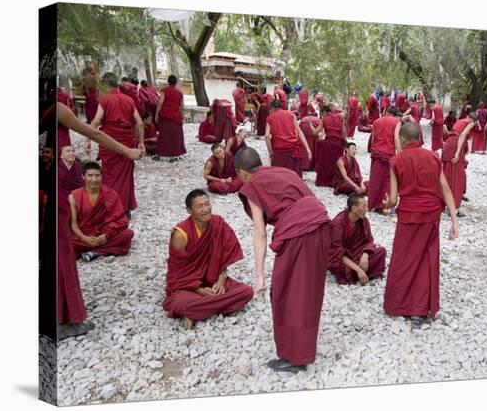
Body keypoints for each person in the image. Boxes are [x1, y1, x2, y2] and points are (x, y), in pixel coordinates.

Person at [48, 102, 143, 340]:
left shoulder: (106, 192)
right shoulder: (55, 107)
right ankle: (60, 320)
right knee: (61, 256)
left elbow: (119, 221)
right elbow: (95, 131)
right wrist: (128, 151)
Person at [234, 147, 331, 373]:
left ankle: (294, 357)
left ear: (241, 172)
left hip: (298, 232)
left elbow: (260, 232)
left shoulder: (251, 185)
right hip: (321, 223)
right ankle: (302, 349)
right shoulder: (285, 172)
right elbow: (309, 199)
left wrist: (259, 276)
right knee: (307, 292)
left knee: (286, 293)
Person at [383, 122, 459, 328]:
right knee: (426, 258)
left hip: (408, 215)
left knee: (403, 258)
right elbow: (445, 188)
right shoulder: (433, 157)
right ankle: (419, 311)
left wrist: (386, 204)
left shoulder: (397, 160)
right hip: (431, 215)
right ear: (419, 138)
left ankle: (399, 305)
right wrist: (454, 220)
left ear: (405, 140)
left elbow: (393, 199)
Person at [162, 189, 254, 329]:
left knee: (246, 292)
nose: (206, 209)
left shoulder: (217, 223)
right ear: (189, 210)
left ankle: (196, 311)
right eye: (200, 206)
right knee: (179, 302)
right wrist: (199, 290)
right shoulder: (180, 235)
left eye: (207, 204)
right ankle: (210, 306)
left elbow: (223, 255)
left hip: (212, 279)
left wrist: (221, 279)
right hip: (188, 285)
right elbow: (177, 272)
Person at [91, 72, 144, 215]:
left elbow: (96, 120)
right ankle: (124, 209)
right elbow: (139, 122)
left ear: (105, 85)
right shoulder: (129, 100)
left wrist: (88, 137)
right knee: (125, 177)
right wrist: (141, 143)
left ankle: (110, 208)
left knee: (109, 175)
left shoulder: (104, 98)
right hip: (127, 141)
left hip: (109, 142)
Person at [69, 162, 134, 261]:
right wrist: (84, 238)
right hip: (83, 236)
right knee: (64, 241)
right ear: (83, 176)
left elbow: (121, 220)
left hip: (102, 235)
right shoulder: (74, 196)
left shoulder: (110, 194)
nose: (94, 179)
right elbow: (73, 225)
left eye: (97, 175)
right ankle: (102, 251)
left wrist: (106, 236)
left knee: (128, 234)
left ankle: (95, 252)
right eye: (90, 176)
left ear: (101, 176)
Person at [327, 194, 386, 285]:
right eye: (364, 206)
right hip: (342, 259)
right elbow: (336, 252)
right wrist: (358, 269)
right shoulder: (338, 223)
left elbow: (369, 240)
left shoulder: (363, 220)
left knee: (381, 251)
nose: (367, 209)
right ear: (354, 208)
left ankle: (358, 273)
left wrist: (365, 255)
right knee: (341, 268)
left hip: (357, 253)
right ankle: (359, 273)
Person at [441, 112, 477, 217]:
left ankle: (444, 204)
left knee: (447, 176)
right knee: (457, 179)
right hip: (455, 147)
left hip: (448, 145)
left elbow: (451, 133)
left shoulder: (460, 121)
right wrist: (457, 153)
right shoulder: (471, 123)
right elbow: (462, 135)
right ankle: (454, 209)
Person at [367, 106, 401, 213]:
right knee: (387, 180)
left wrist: (374, 149)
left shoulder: (376, 121)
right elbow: (396, 138)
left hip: (377, 153)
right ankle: (383, 205)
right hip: (388, 153)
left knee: (375, 179)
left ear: (386, 112)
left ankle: (372, 203)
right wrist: (400, 154)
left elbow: (373, 139)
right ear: (395, 115)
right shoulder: (396, 122)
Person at [265, 99, 312, 178]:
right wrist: (307, 148)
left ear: (272, 108)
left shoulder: (270, 118)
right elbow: (299, 131)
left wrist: (270, 151)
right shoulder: (291, 114)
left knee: (279, 176)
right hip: (293, 148)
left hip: (279, 149)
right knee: (293, 175)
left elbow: (266, 136)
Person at [311, 105, 346, 186]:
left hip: (329, 144)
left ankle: (325, 178)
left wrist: (310, 126)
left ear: (324, 112)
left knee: (320, 145)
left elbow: (315, 133)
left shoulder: (324, 119)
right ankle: (336, 178)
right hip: (339, 144)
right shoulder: (339, 117)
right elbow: (343, 132)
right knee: (336, 161)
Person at [155, 75, 186, 161]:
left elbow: (160, 103)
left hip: (165, 115)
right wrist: (182, 117)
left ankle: (160, 154)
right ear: (176, 82)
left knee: (163, 135)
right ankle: (175, 155)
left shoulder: (165, 90)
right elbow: (182, 107)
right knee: (176, 136)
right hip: (176, 116)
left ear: (168, 82)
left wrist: (156, 115)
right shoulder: (179, 93)